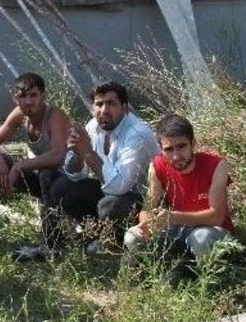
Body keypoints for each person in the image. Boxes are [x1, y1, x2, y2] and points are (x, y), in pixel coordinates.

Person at [50, 81, 160, 252]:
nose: (104, 110)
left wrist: (87, 152)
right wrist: (78, 154)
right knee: (61, 188)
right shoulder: (94, 126)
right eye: (99, 104)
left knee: (109, 206)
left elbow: (119, 187)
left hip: (143, 201)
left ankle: (119, 242)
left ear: (124, 108)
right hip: (111, 192)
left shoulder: (137, 134)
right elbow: (75, 174)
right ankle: (100, 233)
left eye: (111, 104)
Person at [0, 73, 72, 248]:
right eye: (22, 96)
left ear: (44, 96)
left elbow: (58, 156)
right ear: (15, 98)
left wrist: (19, 166)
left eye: (33, 95)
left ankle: (52, 242)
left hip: (68, 184)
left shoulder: (55, 115)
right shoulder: (20, 114)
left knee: (47, 172)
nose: (28, 101)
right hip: (42, 182)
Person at [125, 113, 234, 259]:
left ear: (193, 143)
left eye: (181, 146)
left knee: (200, 238)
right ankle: (167, 269)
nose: (176, 156)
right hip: (179, 230)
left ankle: (207, 276)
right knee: (132, 236)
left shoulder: (216, 165)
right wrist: (147, 223)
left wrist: (174, 217)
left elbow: (217, 217)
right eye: (169, 150)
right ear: (161, 149)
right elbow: (148, 208)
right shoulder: (157, 166)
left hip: (213, 231)